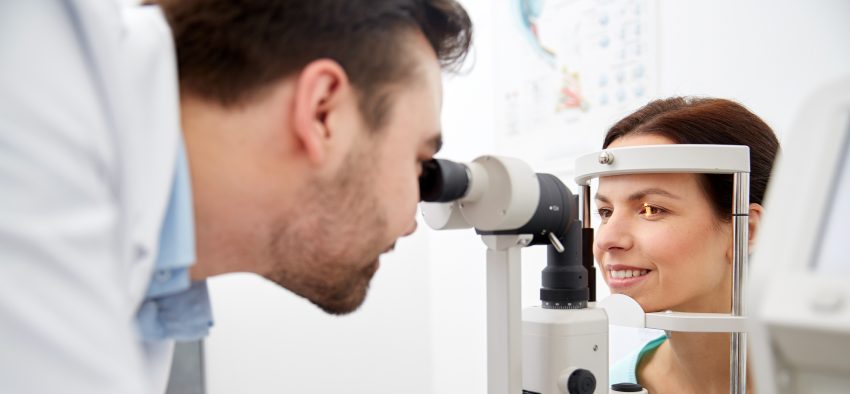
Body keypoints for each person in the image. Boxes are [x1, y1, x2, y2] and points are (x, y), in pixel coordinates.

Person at [0, 0, 472, 393]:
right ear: (323, 111)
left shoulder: (154, 290)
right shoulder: (35, 57)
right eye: (418, 162)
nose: (412, 219)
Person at [595, 97, 780, 393]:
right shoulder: (609, 384)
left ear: (746, 230)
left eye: (650, 210)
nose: (607, 239)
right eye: (605, 212)